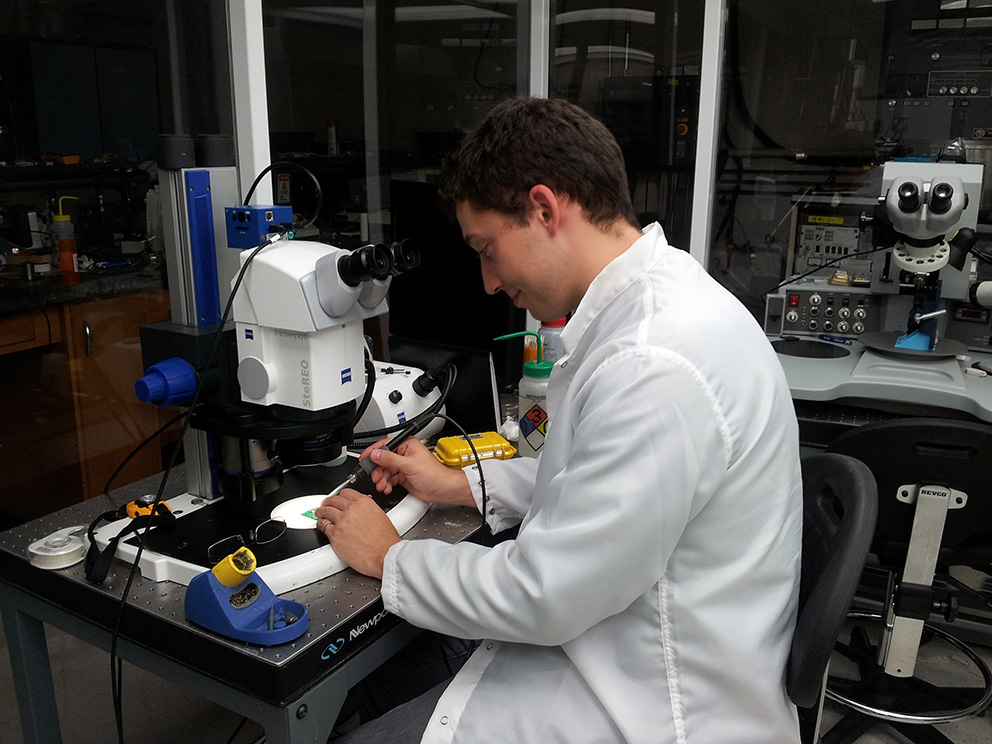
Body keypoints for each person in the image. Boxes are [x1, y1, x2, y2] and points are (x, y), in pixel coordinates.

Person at [315, 96, 803, 743]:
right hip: (626, 641)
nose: (488, 281)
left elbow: (545, 595)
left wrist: (393, 556)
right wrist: (459, 485)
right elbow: (589, 478)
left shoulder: (653, 362)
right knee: (397, 675)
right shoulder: (659, 306)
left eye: (487, 249)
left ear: (545, 209)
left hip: (653, 705)